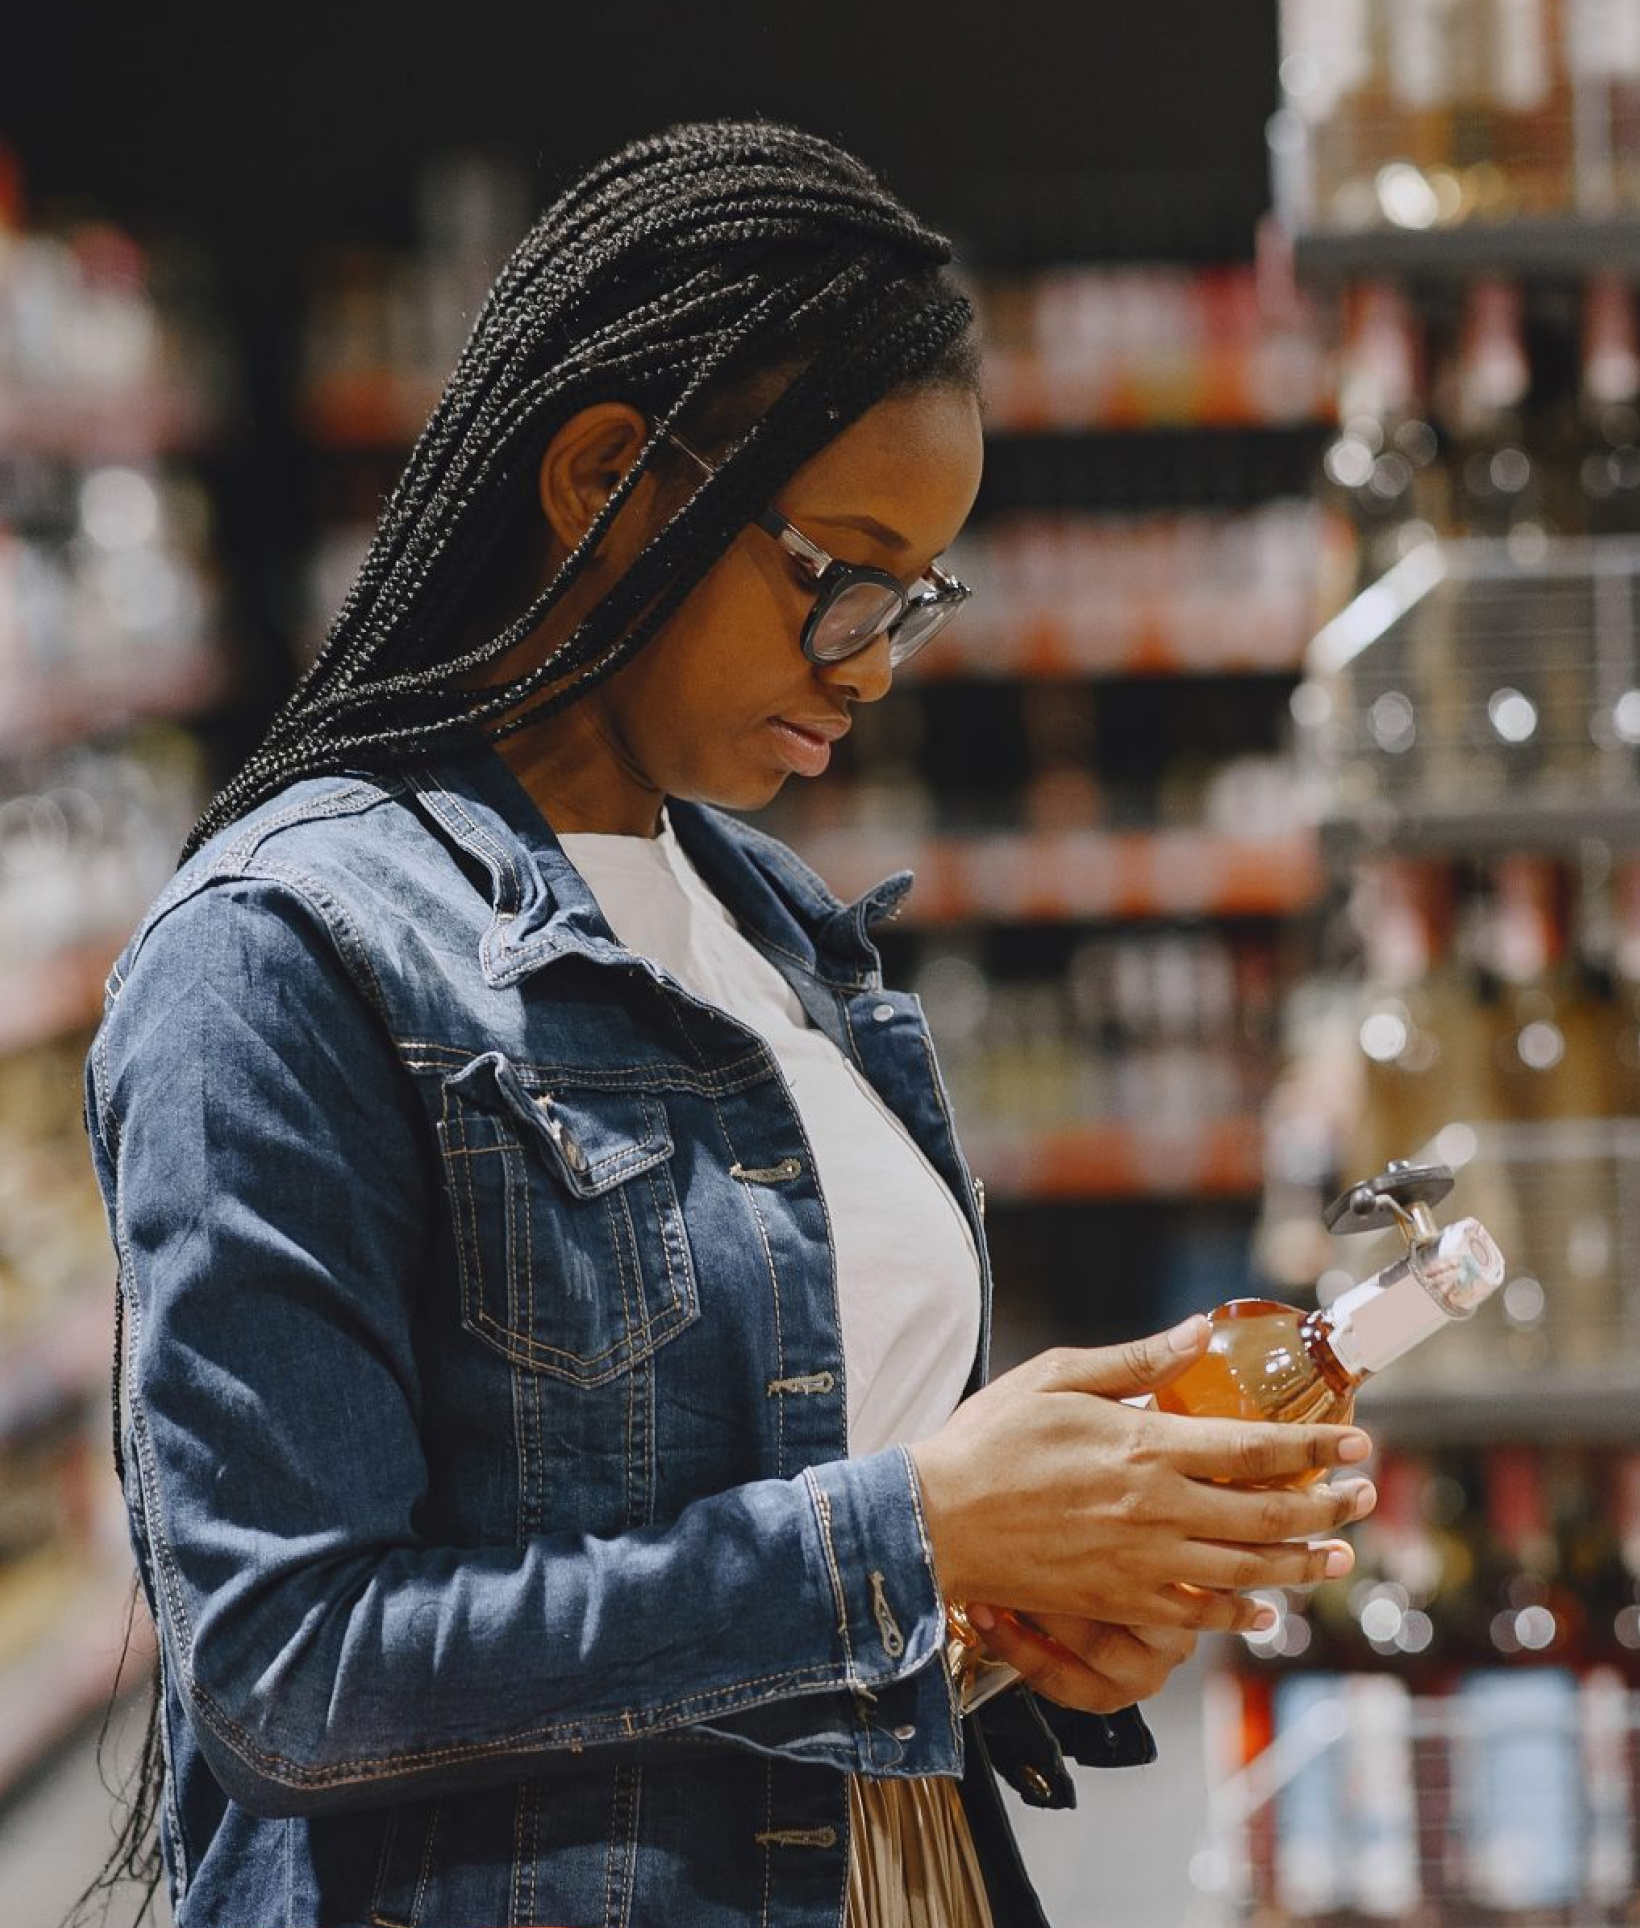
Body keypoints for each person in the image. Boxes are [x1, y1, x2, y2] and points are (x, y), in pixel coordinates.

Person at [80, 120, 1376, 1928]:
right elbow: (296, 1669)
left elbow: (732, 1621)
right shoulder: (285, 956)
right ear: (608, 475)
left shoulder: (769, 920)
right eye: (837, 572)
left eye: (916, 596)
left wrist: (1015, 1604)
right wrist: (918, 1532)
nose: (872, 661)